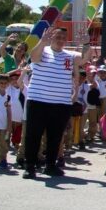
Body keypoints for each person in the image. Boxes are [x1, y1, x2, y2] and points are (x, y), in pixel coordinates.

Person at [21, 27, 83, 179]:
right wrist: (43, 41)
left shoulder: (70, 55)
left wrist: (86, 44)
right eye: (57, 36)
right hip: (38, 100)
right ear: (51, 37)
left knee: (55, 136)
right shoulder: (43, 50)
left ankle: (50, 165)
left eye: (63, 37)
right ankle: (30, 166)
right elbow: (34, 58)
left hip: (61, 102)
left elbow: (84, 59)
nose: (60, 39)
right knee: (33, 135)